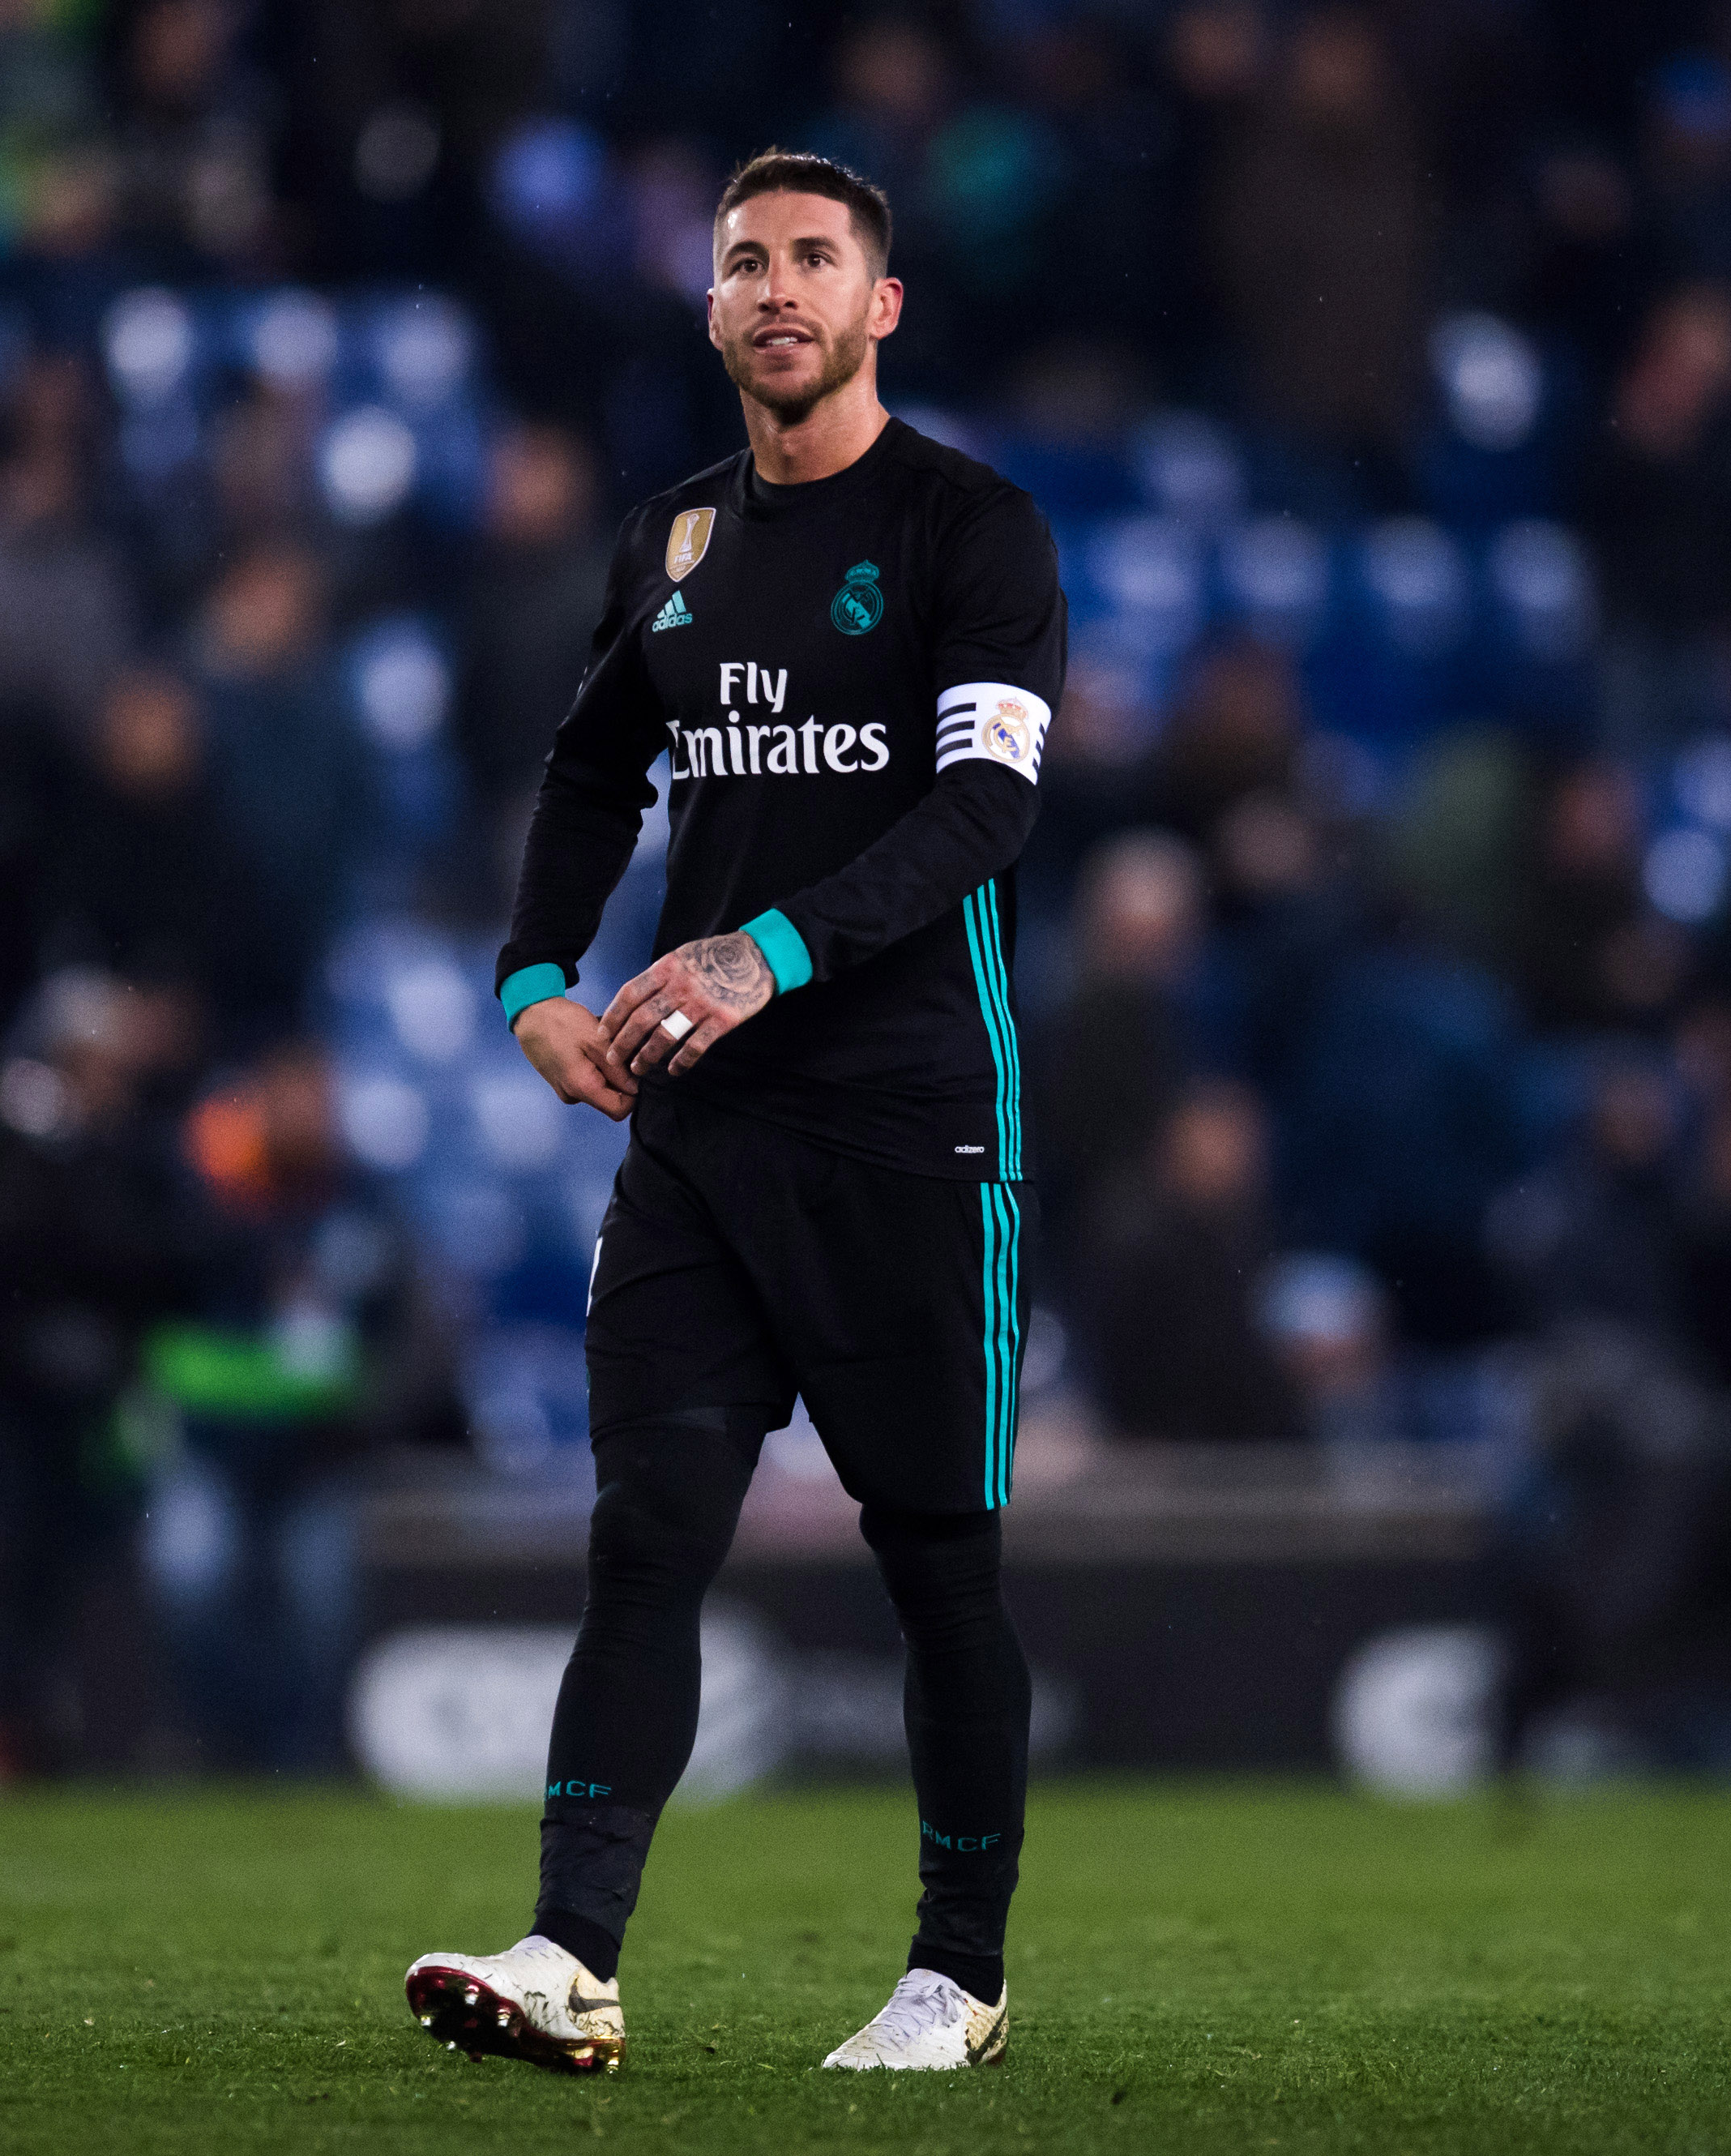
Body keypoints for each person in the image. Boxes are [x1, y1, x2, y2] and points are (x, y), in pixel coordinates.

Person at [404, 150, 1063, 2077]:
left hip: (911, 1121)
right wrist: (534, 983)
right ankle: (567, 1953)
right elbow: (590, 769)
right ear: (708, 311)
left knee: (938, 1559)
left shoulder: (972, 531)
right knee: (648, 1530)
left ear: (883, 307)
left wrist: (769, 945)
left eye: (814, 262)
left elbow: (984, 814)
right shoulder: (673, 542)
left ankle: (961, 1973)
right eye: (743, 262)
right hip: (700, 1129)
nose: (776, 288)